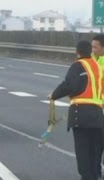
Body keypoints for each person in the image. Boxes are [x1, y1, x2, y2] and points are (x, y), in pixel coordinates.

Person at [49, 40, 104, 180]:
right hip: (98, 115)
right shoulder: (98, 67)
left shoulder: (78, 66)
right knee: (93, 149)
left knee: (83, 149)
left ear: (77, 52)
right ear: (90, 51)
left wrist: (54, 95)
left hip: (81, 114)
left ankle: (87, 177)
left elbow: (68, 85)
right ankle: (93, 176)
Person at [92, 34, 104, 179]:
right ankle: (95, 172)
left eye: (95, 47)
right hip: (96, 112)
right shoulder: (92, 60)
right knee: (96, 147)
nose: (92, 49)